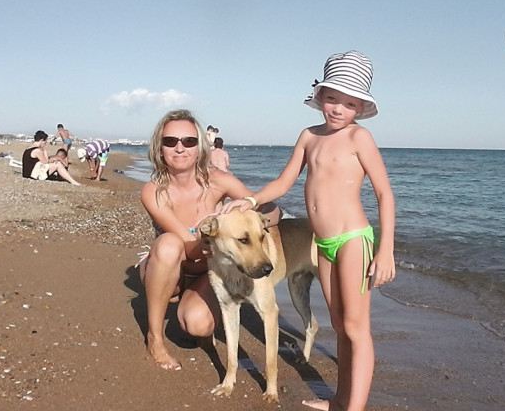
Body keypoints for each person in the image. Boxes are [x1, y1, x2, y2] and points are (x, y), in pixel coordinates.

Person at [221, 50, 395, 411]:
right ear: (320, 96)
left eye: (349, 103)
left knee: (356, 327)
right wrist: (250, 200)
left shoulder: (359, 138)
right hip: (324, 242)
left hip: (353, 239)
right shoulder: (309, 136)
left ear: (361, 107)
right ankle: (341, 400)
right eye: (332, 98)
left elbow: (384, 194)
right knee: (339, 325)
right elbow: (283, 182)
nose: (338, 109)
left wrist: (386, 250)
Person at [138, 109, 280, 371]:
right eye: (170, 141)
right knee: (169, 244)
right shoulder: (152, 191)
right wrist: (217, 236)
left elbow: (272, 210)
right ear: (159, 148)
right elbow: (190, 247)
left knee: (197, 325)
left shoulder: (218, 180)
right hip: (171, 266)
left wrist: (251, 210)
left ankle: (199, 310)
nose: (180, 148)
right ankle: (154, 339)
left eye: (189, 141)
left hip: (207, 270)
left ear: (200, 147)